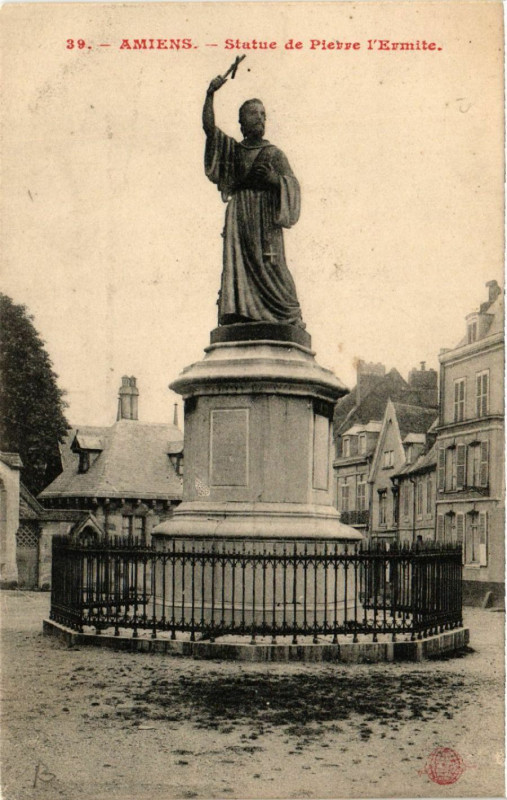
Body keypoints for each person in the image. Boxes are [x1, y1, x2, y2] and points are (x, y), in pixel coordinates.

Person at [203, 75, 304, 327]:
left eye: (263, 114)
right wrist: (210, 94)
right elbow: (210, 130)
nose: (260, 118)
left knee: (273, 267)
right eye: (253, 113)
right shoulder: (234, 151)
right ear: (241, 121)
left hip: (266, 219)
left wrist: (274, 180)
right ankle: (240, 312)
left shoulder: (274, 154)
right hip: (239, 218)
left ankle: (288, 314)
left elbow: (292, 187)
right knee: (238, 268)